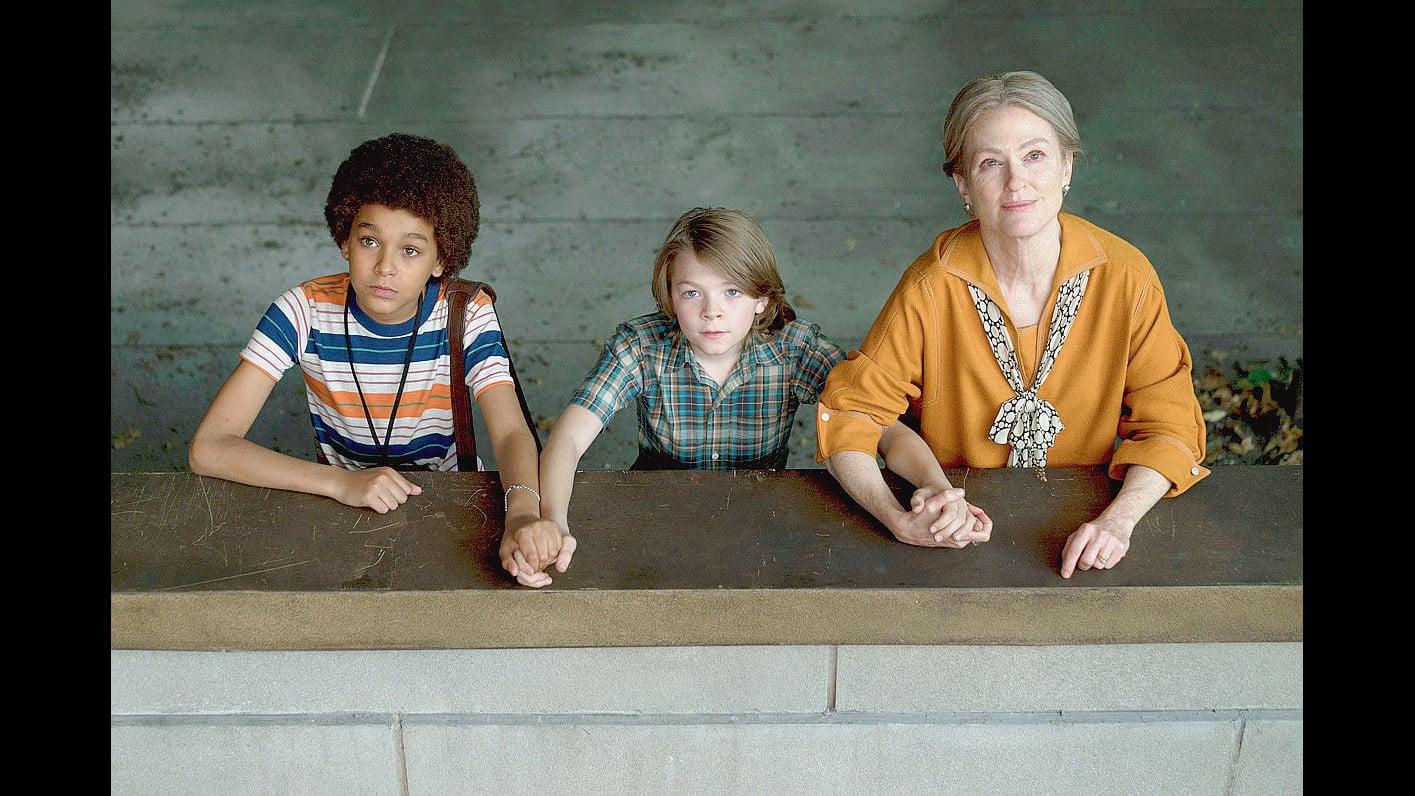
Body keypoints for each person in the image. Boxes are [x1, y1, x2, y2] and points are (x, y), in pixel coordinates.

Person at [815, 70, 1209, 578]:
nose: (1016, 181)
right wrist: (899, 520)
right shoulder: (931, 286)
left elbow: (1170, 426)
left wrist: (1118, 521)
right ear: (963, 184)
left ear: (1067, 166)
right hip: (958, 531)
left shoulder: (1126, 277)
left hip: (1082, 522)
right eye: (990, 163)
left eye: (1035, 155)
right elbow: (851, 415)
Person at [188, 132, 557, 585]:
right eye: (369, 241)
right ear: (344, 240)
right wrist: (341, 483)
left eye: (410, 250)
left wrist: (521, 515)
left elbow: (511, 432)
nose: (385, 266)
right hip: (342, 509)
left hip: (449, 503)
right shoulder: (303, 311)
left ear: (441, 260)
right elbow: (210, 447)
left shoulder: (465, 312)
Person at [511, 207, 850, 587]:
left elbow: (873, 414)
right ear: (670, 296)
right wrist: (554, 523)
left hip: (761, 514)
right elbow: (569, 438)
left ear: (763, 299)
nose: (712, 312)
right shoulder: (641, 346)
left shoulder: (795, 349)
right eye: (692, 293)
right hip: (658, 514)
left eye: (732, 291)